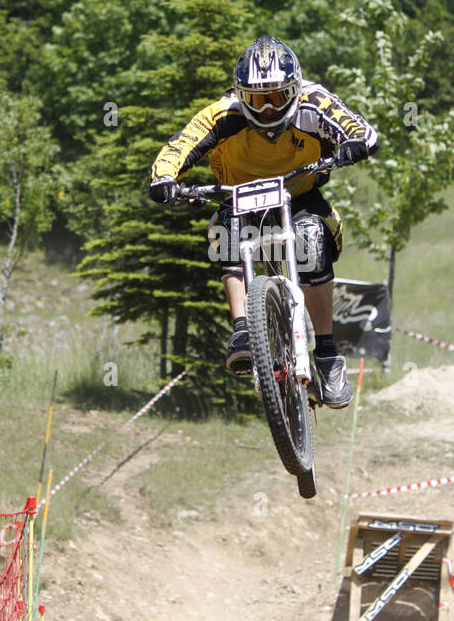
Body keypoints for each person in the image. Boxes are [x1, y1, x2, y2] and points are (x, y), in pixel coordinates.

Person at [149, 36, 378, 407]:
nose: (268, 109)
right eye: (257, 99)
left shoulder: (313, 101)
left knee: (314, 240)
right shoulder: (223, 113)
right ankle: (243, 330)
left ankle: (327, 355)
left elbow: (359, 129)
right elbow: (180, 145)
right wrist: (164, 178)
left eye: (277, 96)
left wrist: (357, 143)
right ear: (242, 95)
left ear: (294, 89)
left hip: (299, 193)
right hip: (240, 197)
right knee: (226, 233)